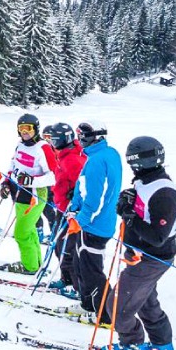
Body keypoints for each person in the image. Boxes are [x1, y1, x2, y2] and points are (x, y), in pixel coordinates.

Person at [97, 136, 176, 350]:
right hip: (139, 255)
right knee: (145, 302)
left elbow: (157, 237)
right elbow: (139, 213)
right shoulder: (145, 181)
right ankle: (162, 348)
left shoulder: (164, 193)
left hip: (152, 258)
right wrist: (127, 204)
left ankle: (131, 345)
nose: (132, 167)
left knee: (117, 305)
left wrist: (130, 217)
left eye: (133, 162)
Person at [66, 121, 123, 318]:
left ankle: (103, 313)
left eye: (83, 136)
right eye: (79, 135)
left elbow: (96, 199)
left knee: (90, 271)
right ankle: (88, 305)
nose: (79, 140)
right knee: (81, 265)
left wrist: (80, 219)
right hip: (98, 222)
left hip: (94, 225)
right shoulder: (109, 153)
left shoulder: (97, 160)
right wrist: (75, 206)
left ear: (94, 137)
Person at [0, 113, 57, 275]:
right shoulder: (20, 145)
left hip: (35, 196)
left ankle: (29, 266)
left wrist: (32, 181)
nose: (25, 132)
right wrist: (6, 183)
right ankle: (35, 262)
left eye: (28, 128)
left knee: (21, 233)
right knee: (29, 230)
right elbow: (13, 165)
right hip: (19, 194)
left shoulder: (43, 148)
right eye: (21, 128)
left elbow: (53, 176)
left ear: (35, 129)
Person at [42, 122, 86, 291]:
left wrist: (74, 194)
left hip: (71, 212)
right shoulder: (63, 154)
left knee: (69, 250)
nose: (51, 143)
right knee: (58, 246)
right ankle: (66, 278)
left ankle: (79, 288)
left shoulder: (73, 158)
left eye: (53, 140)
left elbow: (83, 184)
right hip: (61, 208)